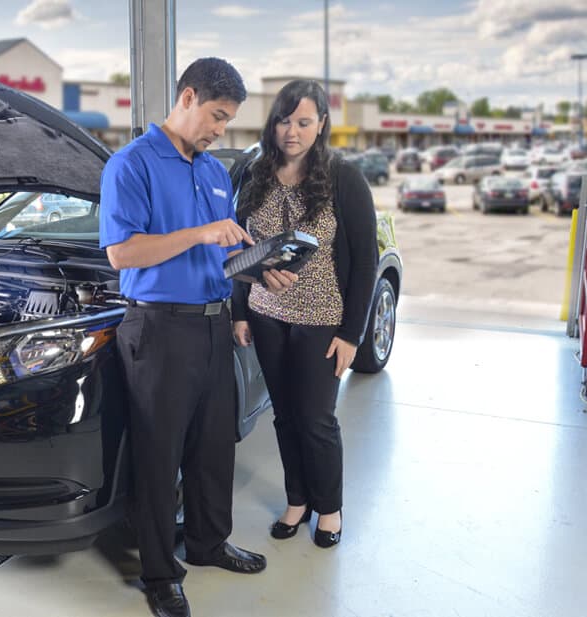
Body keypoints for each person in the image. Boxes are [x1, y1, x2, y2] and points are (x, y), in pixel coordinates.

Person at [99, 58, 294, 617]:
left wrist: (260, 266)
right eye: (215, 115)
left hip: (213, 324)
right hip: (159, 329)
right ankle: (161, 573)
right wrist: (198, 233)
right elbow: (123, 253)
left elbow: (223, 250)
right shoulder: (130, 164)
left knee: (214, 447)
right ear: (187, 97)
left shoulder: (211, 170)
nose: (218, 129)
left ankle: (209, 543)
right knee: (160, 458)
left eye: (227, 120)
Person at [232, 79, 378, 549]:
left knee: (316, 419)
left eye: (302, 121)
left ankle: (329, 507)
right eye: (283, 120)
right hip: (265, 314)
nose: (290, 131)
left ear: (320, 125)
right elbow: (241, 248)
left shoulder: (343, 178)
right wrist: (240, 310)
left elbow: (365, 261)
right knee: (285, 417)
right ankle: (297, 499)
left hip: (322, 318)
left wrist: (353, 334)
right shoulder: (255, 172)